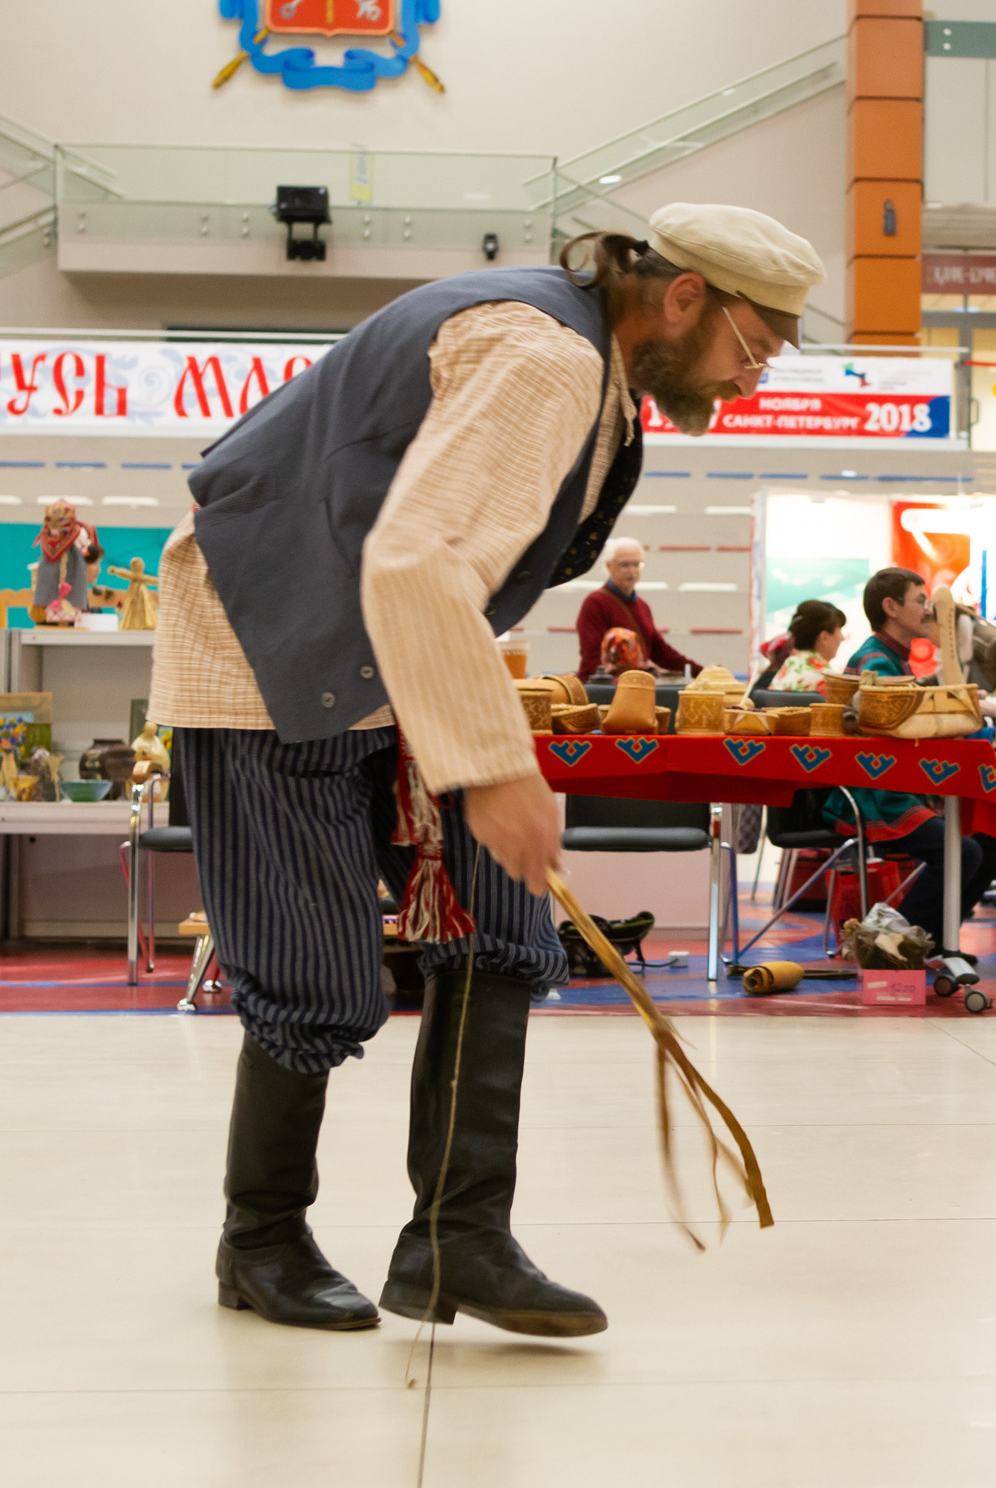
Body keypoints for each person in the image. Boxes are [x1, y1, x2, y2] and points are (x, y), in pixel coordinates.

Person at [147, 201, 821, 1335]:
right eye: (751, 348)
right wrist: (494, 767)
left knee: (499, 922)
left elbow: (419, 557)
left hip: (373, 641)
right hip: (262, 637)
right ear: (685, 296)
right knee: (311, 969)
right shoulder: (545, 357)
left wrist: (483, 755)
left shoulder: (593, 366)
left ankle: (458, 1242)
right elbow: (416, 560)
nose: (752, 378)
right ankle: (257, 1240)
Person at [825, 567, 996, 976]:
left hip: (898, 785)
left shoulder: (891, 659)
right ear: (891, 607)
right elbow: (902, 728)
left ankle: (935, 941)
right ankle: (890, 946)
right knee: (965, 851)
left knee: (993, 838)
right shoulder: (873, 661)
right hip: (874, 793)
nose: (927, 610)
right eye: (920, 600)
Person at [576, 538, 696, 677]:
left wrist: (702, 672)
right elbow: (593, 659)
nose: (632, 570)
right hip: (604, 690)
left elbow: (661, 651)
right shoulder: (595, 603)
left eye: (636, 564)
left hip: (632, 687)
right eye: (625, 565)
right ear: (609, 566)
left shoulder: (642, 605)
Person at [755, 599, 845, 692]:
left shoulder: (787, 667)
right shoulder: (829, 680)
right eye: (839, 631)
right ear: (824, 637)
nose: (842, 638)